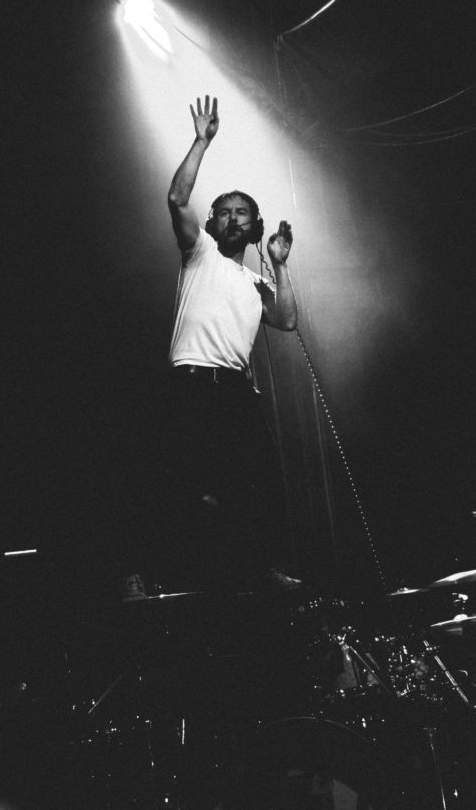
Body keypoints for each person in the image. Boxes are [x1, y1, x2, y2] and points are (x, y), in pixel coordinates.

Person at [151, 94, 301, 594]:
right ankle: (193, 576)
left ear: (255, 227)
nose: (234, 219)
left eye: (243, 214)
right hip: (194, 380)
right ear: (213, 223)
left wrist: (279, 264)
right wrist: (201, 141)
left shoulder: (257, 282)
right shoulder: (200, 253)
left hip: (235, 390)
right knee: (198, 491)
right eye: (225, 212)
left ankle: (260, 569)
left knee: (259, 482)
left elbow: (286, 320)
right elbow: (177, 200)